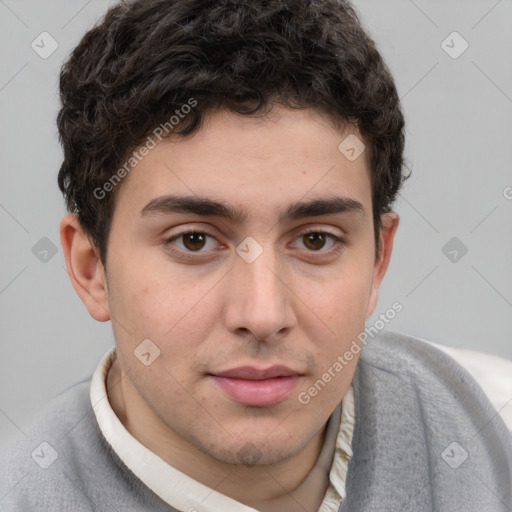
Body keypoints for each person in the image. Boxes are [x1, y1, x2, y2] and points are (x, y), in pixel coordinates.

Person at [1, 0, 511, 510]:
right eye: (194, 240)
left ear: (378, 261)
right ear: (92, 271)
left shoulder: (494, 422)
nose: (263, 314)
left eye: (315, 240)